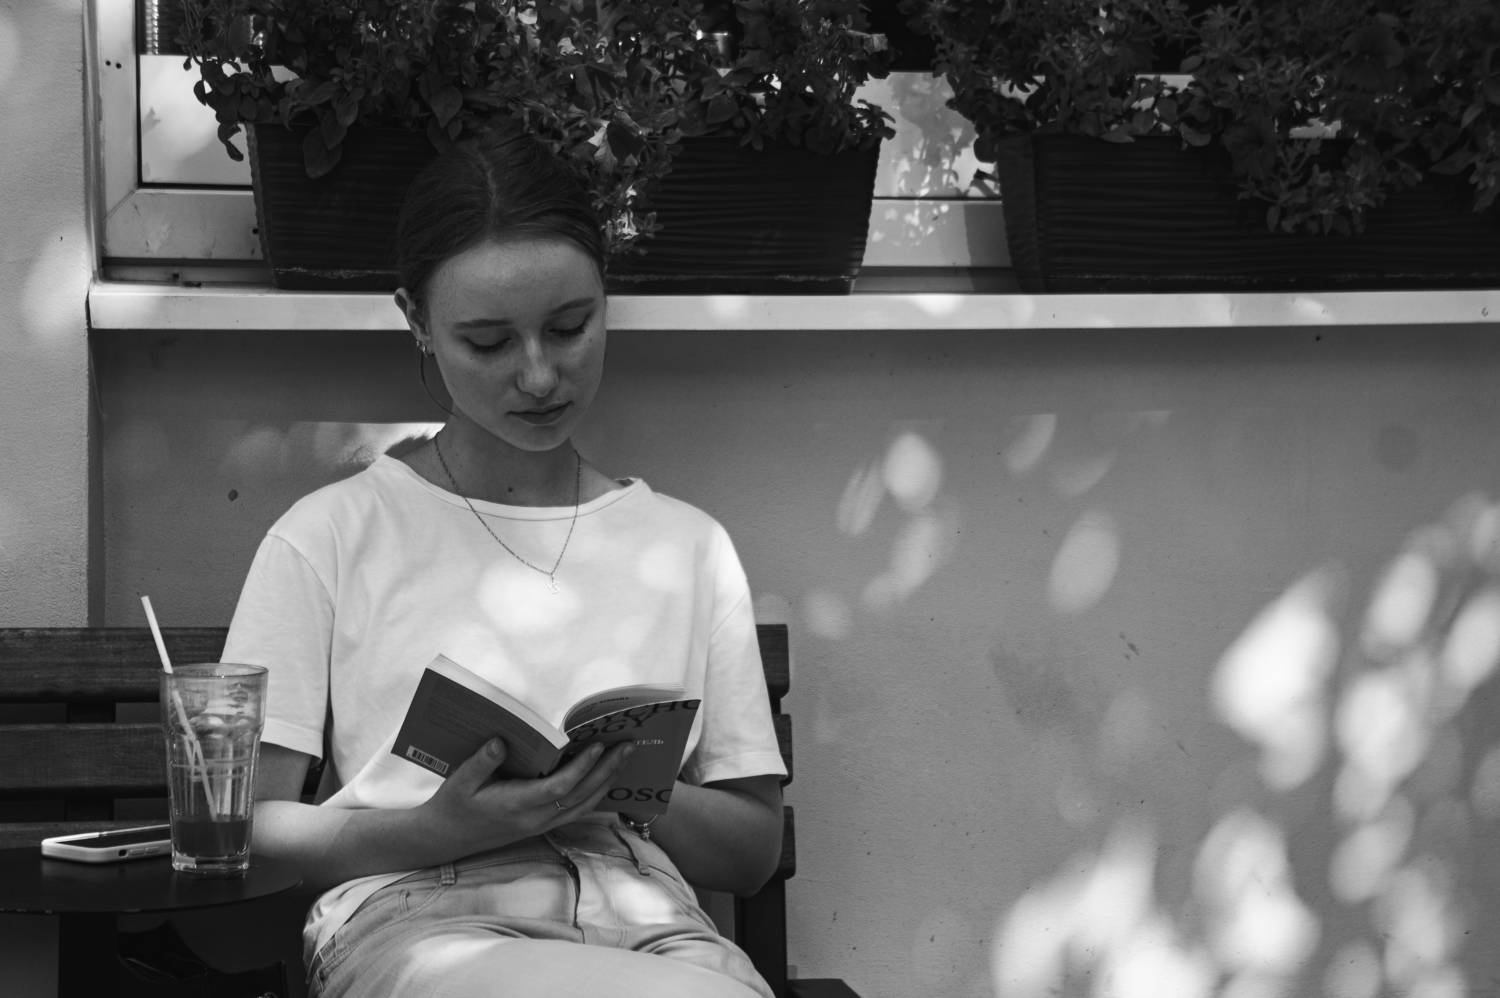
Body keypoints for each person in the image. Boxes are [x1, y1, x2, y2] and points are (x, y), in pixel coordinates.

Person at [221, 122, 787, 998]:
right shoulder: (331, 535)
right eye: (487, 342)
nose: (539, 376)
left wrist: (608, 786)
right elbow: (244, 827)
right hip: (421, 916)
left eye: (569, 327)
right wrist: (441, 827)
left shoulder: (688, 547)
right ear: (416, 321)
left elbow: (751, 852)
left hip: (654, 923)